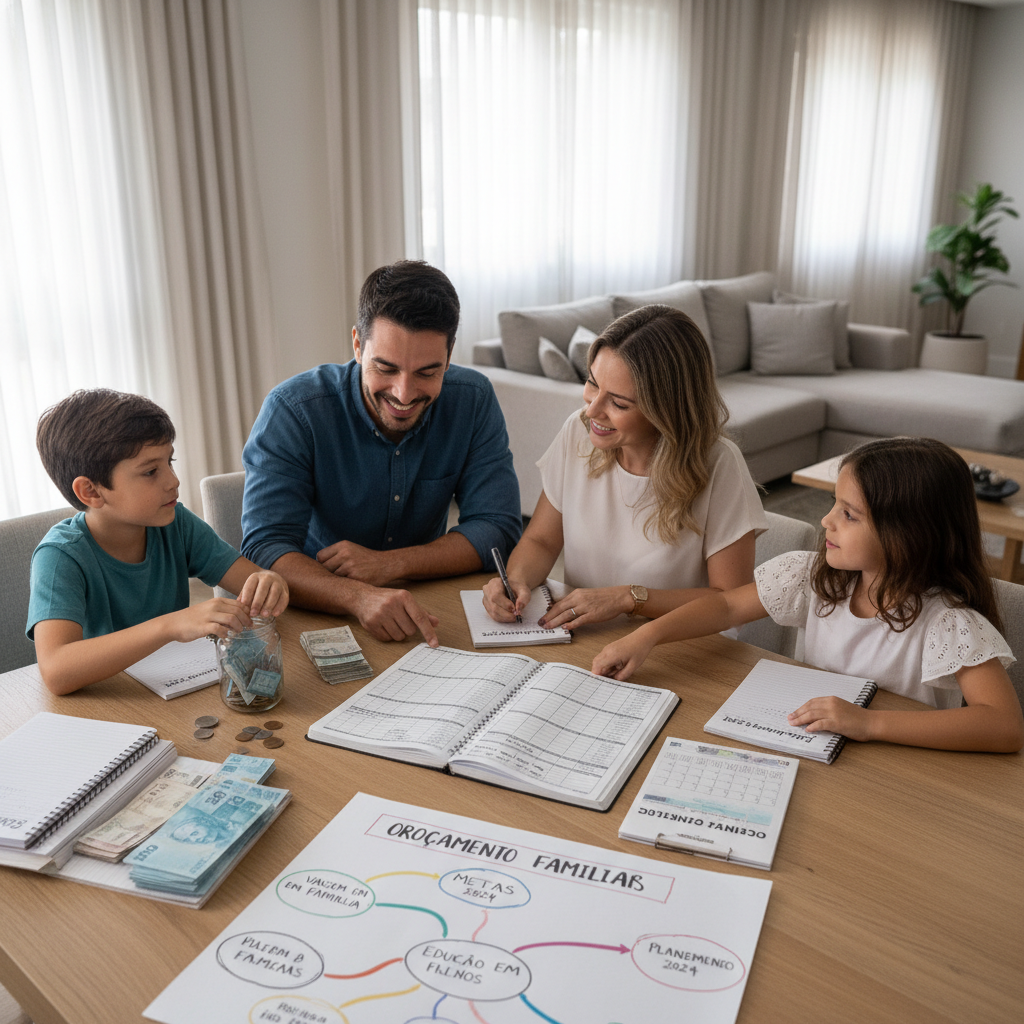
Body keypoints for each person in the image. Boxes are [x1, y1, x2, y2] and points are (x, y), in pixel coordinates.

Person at [593, 437, 1024, 753]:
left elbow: (1004, 726)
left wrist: (869, 723)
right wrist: (645, 637)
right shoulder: (812, 577)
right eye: (834, 504)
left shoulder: (947, 622)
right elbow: (724, 606)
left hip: (893, 775)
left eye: (848, 514)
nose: (825, 520)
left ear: (908, 536)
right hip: (810, 751)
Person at [241, 261, 521, 647]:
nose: (404, 394)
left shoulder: (472, 399)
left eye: (427, 372)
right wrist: (355, 595)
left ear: (449, 354)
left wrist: (391, 564)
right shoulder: (294, 410)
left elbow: (497, 528)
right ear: (358, 344)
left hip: (425, 610)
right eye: (385, 368)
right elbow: (264, 548)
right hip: (315, 612)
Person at [483, 304, 767, 629]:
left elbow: (730, 600)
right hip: (584, 640)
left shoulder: (719, 464)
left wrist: (629, 599)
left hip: (677, 650)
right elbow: (542, 541)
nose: (592, 411)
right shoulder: (578, 432)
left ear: (667, 410)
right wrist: (516, 581)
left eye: (618, 403)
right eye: (592, 384)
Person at [28, 389, 289, 696]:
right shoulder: (60, 557)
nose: (173, 480)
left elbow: (252, 579)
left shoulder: (175, 521)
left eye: (170, 462)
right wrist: (171, 626)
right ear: (91, 492)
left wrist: (270, 580)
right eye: (151, 471)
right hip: (108, 705)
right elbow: (57, 671)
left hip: (175, 695)